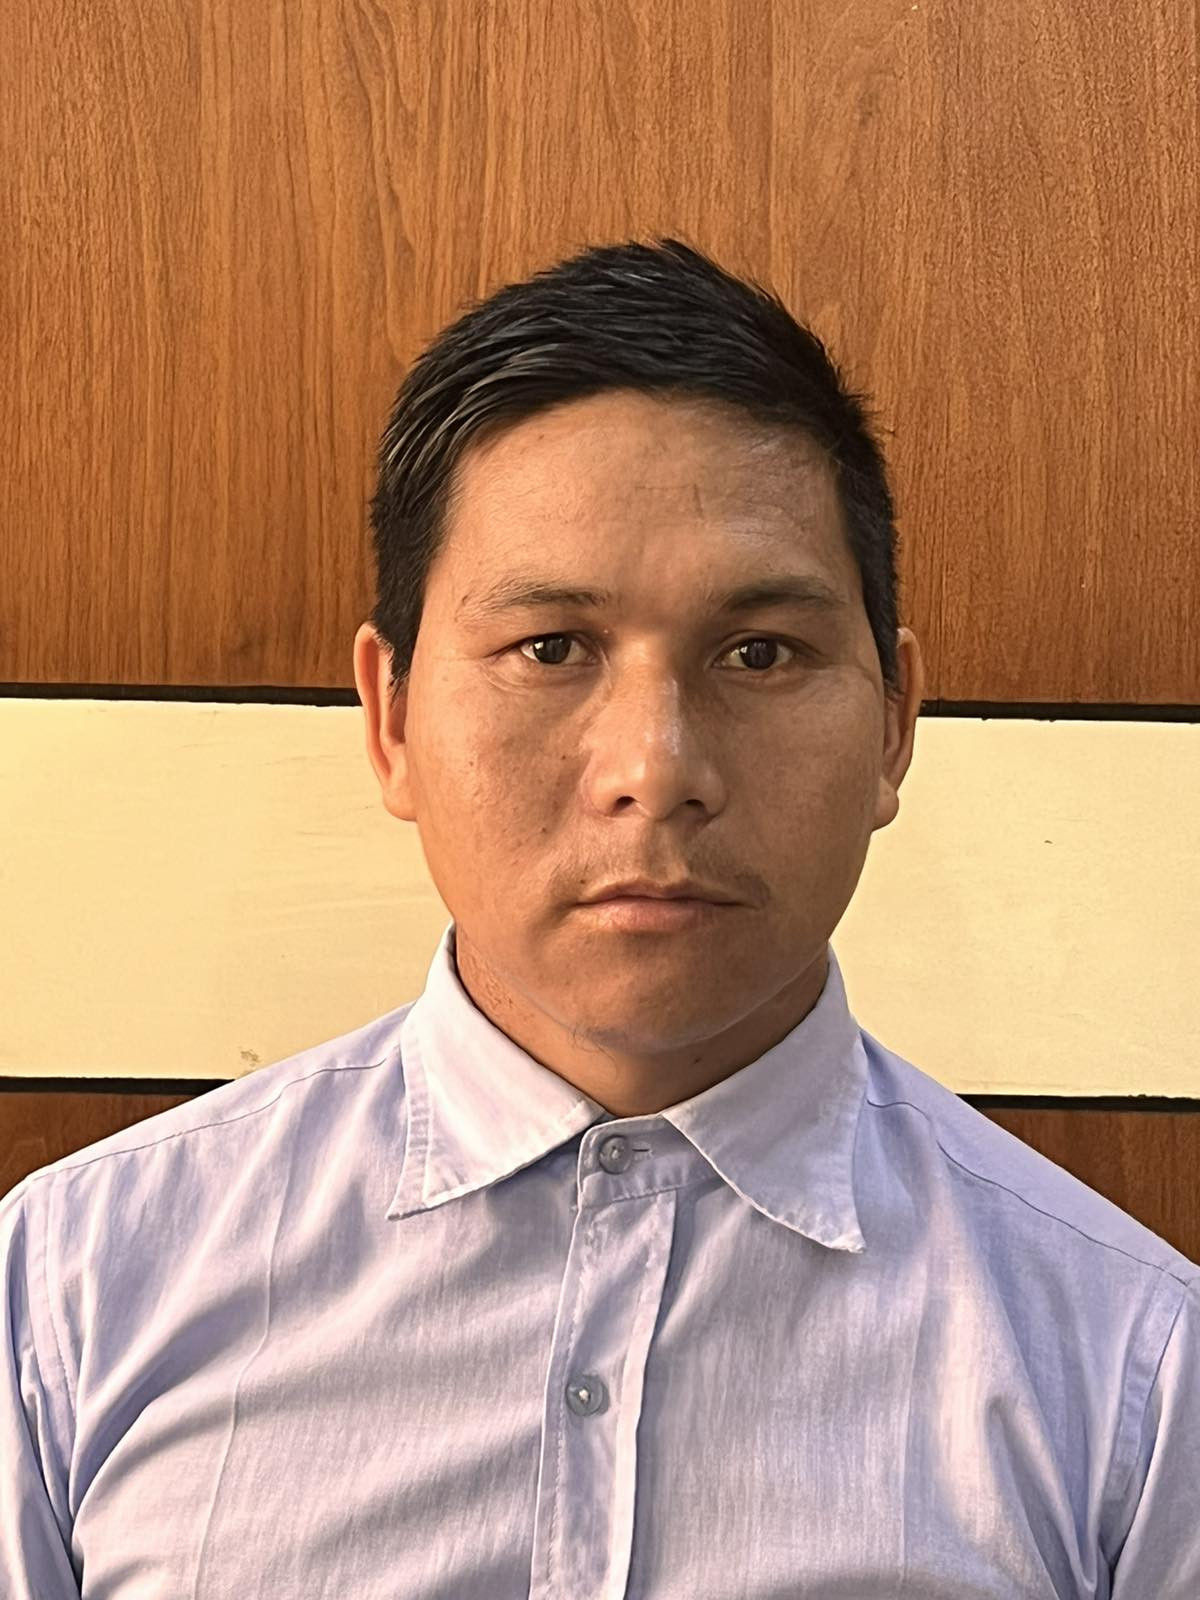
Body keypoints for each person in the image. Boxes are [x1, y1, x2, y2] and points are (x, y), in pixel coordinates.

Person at [2, 236, 1196, 1597]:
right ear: (391, 718)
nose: (655, 768)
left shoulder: (1134, 1378)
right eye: (551, 648)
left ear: (893, 726)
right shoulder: (68, 1297)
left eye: (760, 653)